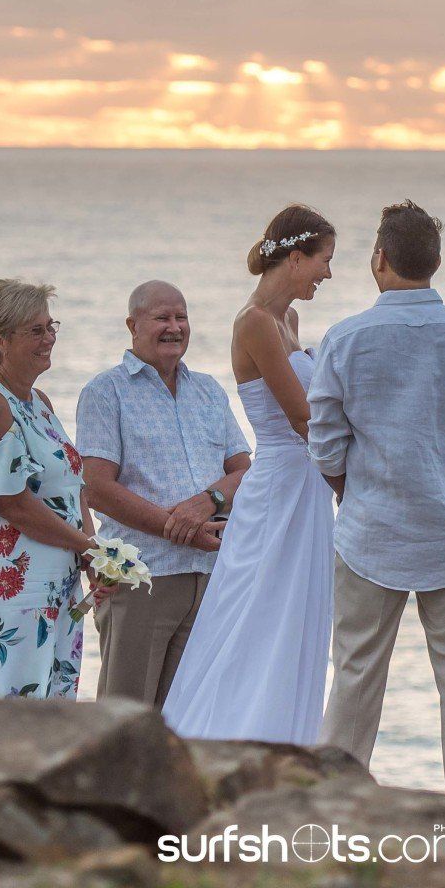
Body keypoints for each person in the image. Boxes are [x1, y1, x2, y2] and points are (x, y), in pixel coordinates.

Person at [309, 201, 445, 795]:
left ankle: (333, 800)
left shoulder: (346, 338)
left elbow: (325, 443)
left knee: (355, 674)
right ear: (434, 262)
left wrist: (355, 483)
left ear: (379, 259)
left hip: (369, 529)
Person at [162, 206, 339, 744]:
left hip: (306, 487)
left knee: (297, 618)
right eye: (323, 261)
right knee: (257, 613)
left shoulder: (290, 321)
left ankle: (284, 737)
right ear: (295, 256)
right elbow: (304, 417)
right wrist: (353, 484)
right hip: (280, 485)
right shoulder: (255, 323)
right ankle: (226, 736)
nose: (327, 275)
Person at [76, 281, 250, 706]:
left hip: (210, 577)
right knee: (126, 715)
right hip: (141, 577)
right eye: (162, 318)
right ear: (133, 326)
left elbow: (244, 469)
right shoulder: (105, 392)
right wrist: (178, 528)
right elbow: (96, 487)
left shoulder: (208, 390)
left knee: (189, 717)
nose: (174, 327)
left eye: (181, 317)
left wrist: (210, 502)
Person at [0, 279, 101, 699]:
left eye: (51, 327)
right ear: (0, 339)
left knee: (55, 703)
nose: (49, 338)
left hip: (55, 579)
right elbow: (12, 503)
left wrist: (93, 554)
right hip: (11, 583)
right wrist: (88, 548)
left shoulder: (40, 402)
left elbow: (74, 488)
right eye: (35, 331)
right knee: (14, 704)